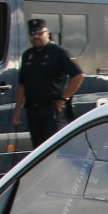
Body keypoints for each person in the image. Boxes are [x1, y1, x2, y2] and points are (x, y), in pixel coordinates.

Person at [12, 18, 84, 148]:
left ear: (47, 33)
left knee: (53, 149)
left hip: (51, 110)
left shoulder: (58, 52)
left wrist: (63, 98)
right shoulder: (28, 55)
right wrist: (17, 110)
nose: (36, 36)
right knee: (38, 150)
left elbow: (78, 75)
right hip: (33, 111)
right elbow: (22, 84)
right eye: (32, 33)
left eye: (39, 33)